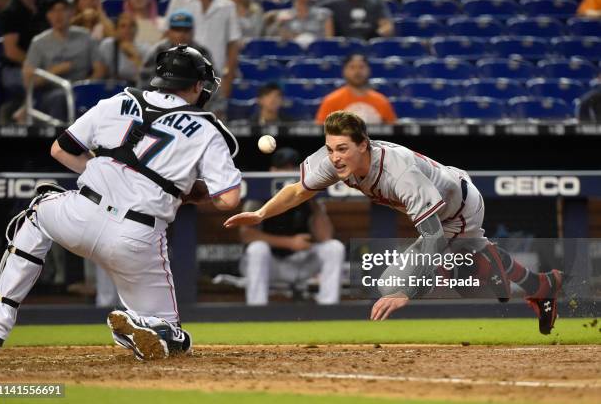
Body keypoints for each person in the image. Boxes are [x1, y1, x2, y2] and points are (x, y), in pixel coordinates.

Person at [0, 44, 242, 359]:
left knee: (38, 213)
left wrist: (99, 171)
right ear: (195, 85)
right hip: (136, 239)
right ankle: (145, 327)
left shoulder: (119, 100)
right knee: (173, 341)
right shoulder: (206, 127)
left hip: (79, 215)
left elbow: (59, 149)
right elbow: (229, 199)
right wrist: (186, 194)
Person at [224, 110, 564, 335]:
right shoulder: (334, 160)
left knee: (394, 283)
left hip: (456, 210)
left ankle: (480, 265)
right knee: (471, 250)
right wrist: (261, 214)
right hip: (448, 207)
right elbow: (299, 191)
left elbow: (431, 234)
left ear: (364, 145)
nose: (334, 156)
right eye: (330, 149)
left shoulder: (398, 172)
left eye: (342, 148)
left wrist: (407, 292)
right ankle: (542, 286)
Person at [239, 147, 345, 305]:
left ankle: (328, 308)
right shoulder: (260, 194)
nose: (288, 173)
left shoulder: (309, 192)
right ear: (272, 171)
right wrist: (290, 242)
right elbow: (247, 234)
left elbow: (325, 236)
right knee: (257, 249)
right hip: (271, 263)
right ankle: (257, 310)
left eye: (293, 168)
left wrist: (313, 202)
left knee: (334, 248)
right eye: (283, 169)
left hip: (301, 262)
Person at [23, 0, 105, 122]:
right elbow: (28, 81)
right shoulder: (38, 42)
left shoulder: (85, 36)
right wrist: (55, 70)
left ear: (71, 12)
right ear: (48, 16)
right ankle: (61, 139)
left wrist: (87, 85)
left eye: (62, 10)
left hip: (82, 88)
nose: (58, 15)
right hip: (53, 91)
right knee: (61, 98)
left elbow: (100, 68)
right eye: (53, 11)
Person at [165, 0, 242, 102]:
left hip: (213, 75)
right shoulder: (179, 0)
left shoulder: (228, 5)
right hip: (179, 74)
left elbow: (233, 44)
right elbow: (169, 33)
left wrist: (228, 79)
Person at [0, 0, 49, 123]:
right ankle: (21, 115)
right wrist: (36, 65)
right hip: (15, 69)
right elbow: (11, 51)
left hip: (45, 66)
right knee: (39, 82)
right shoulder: (10, 12)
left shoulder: (45, 6)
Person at [138, 10, 211, 89]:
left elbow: (211, 85)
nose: (181, 34)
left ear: (192, 32)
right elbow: (144, 81)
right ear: (169, 32)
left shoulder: (202, 53)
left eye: (186, 30)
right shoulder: (158, 50)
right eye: (177, 30)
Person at [315, 54, 397, 125]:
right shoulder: (331, 101)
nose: (357, 71)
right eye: (352, 67)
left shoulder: (382, 101)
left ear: (369, 70)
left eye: (361, 67)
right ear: (344, 71)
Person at [98, 12, 149, 85]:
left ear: (136, 30)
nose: (127, 30)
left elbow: (146, 79)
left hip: (134, 89)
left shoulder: (144, 48)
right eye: (123, 26)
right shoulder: (107, 45)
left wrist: (135, 56)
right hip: (111, 88)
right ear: (116, 30)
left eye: (131, 26)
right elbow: (100, 74)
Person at [264, 0, 333, 48]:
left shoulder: (324, 14)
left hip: (318, 55)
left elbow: (329, 42)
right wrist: (281, 25)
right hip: (292, 55)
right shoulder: (284, 16)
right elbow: (274, 42)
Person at [322, 0, 393, 40]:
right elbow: (327, 34)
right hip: (342, 45)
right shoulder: (331, 4)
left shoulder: (376, 2)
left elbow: (387, 26)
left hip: (369, 44)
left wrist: (374, 37)